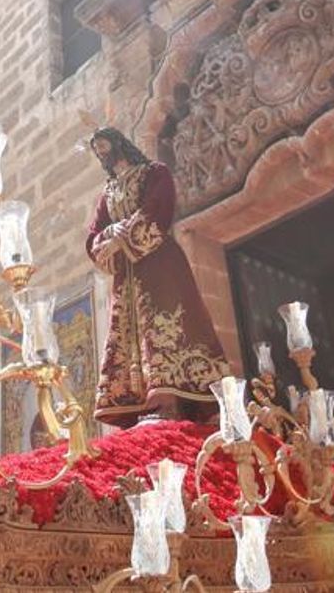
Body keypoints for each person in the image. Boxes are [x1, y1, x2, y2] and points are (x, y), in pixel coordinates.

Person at [85, 127, 230, 426]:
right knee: (130, 331)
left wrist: (125, 237)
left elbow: (158, 208)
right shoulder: (108, 193)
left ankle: (171, 398)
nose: (103, 154)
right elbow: (94, 234)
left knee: (166, 322)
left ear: (118, 143)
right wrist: (109, 236)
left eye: (104, 147)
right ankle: (140, 403)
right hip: (127, 274)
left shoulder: (154, 172)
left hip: (159, 263)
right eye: (98, 152)